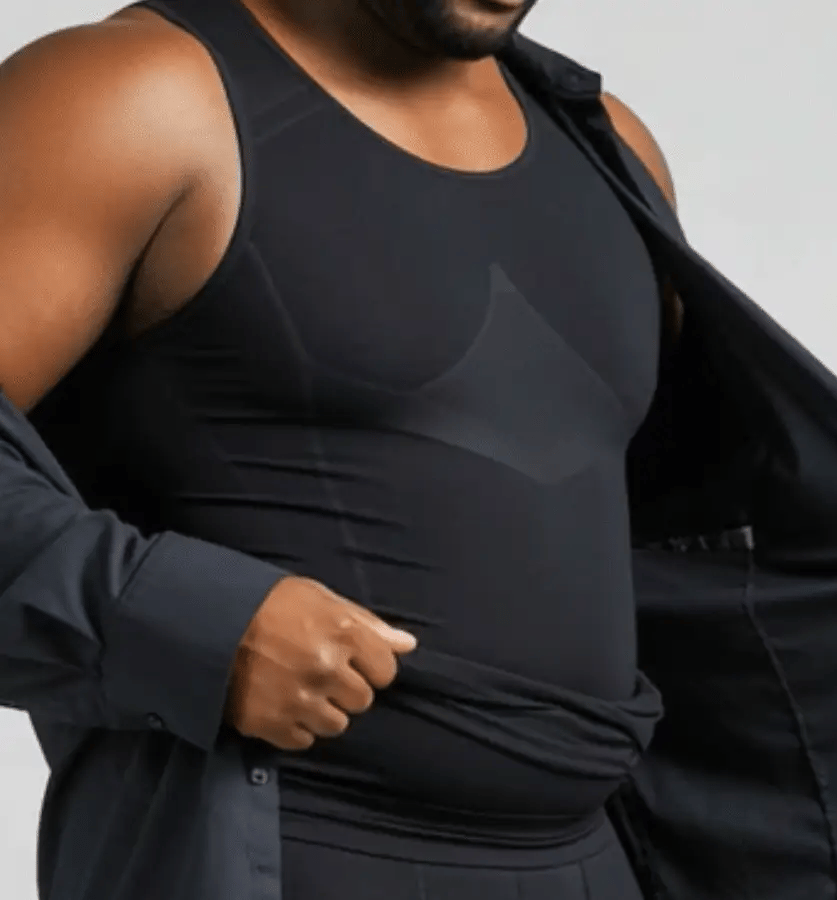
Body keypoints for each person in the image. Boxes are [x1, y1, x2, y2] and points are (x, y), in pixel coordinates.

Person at [0, 1, 681, 899]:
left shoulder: (608, 145)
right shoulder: (133, 98)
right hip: (271, 849)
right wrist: (180, 618)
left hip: (592, 857)